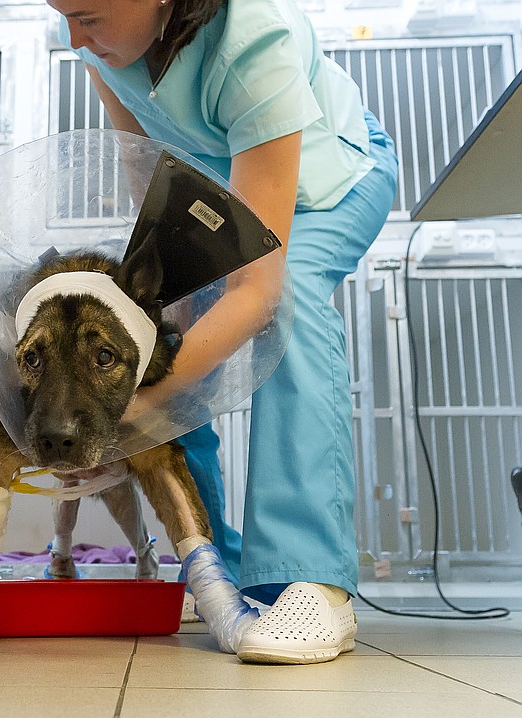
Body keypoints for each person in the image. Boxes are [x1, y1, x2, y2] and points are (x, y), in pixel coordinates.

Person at [49, 0, 399, 663]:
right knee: (160, 347)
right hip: (216, 191)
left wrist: (140, 410)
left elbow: (258, 292)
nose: (71, 35)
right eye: (62, 13)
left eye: (86, 15)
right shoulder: (93, 35)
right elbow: (142, 166)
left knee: (286, 305)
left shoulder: (251, 37)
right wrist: (156, 305)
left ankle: (312, 579)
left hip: (330, 181)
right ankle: (212, 562)